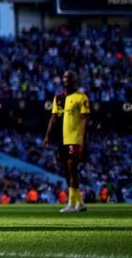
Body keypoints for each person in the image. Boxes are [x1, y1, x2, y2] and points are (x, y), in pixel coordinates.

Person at [43, 69, 90, 212]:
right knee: (65, 170)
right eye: (64, 77)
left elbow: (85, 120)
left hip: (74, 138)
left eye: (69, 77)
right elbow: (54, 117)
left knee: (72, 168)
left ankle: (71, 203)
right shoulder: (58, 98)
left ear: (75, 80)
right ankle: (80, 203)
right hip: (61, 139)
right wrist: (48, 135)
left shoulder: (81, 97)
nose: (66, 79)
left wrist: (82, 139)